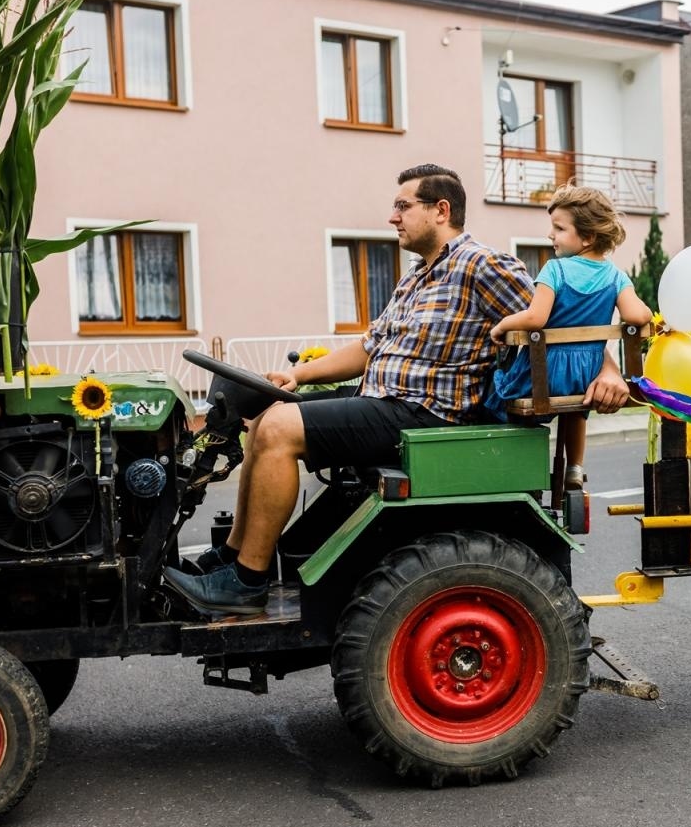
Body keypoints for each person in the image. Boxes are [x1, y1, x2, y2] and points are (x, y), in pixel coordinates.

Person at [165, 164, 631, 614]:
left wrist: (608, 371)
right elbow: (370, 346)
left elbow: (559, 324)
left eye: (402, 206)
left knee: (281, 428)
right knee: (266, 419)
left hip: (429, 411)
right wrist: (299, 377)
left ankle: (247, 582)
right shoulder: (416, 275)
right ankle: (232, 557)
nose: (393, 217)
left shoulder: (485, 265)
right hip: (381, 401)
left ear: (441, 210)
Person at [485, 186, 652, 489]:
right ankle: (575, 467)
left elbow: (536, 318)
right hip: (585, 376)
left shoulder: (555, 270)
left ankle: (512, 465)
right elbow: (637, 317)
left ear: (587, 237)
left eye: (559, 228)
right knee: (576, 409)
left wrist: (502, 325)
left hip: (543, 374)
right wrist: (648, 311)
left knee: (495, 393)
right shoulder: (616, 276)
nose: (551, 235)